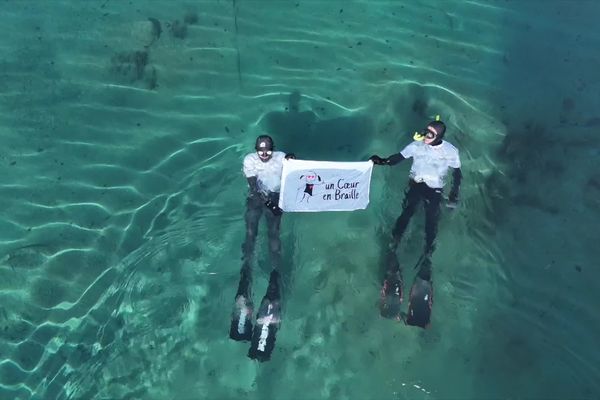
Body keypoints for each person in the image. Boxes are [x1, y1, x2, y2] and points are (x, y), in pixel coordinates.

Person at [370, 118, 462, 327]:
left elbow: (457, 173)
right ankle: (394, 246)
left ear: (439, 137)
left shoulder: (450, 151)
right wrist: (381, 161)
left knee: (431, 223)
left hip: (434, 190)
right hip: (415, 186)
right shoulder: (416, 146)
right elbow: (399, 158)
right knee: (405, 216)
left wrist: (454, 194)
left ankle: (427, 255)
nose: (425, 136)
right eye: (425, 132)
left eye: (430, 134)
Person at [229, 134, 295, 361]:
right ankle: (246, 274)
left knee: (274, 235)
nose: (264, 154)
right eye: (261, 150)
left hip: (275, 200)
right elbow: (253, 186)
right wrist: (264, 200)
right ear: (256, 149)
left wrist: (295, 162)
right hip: (257, 200)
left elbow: (298, 172)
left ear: (273, 149)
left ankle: (274, 277)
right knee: (251, 234)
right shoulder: (250, 160)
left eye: (267, 150)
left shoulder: (282, 157)